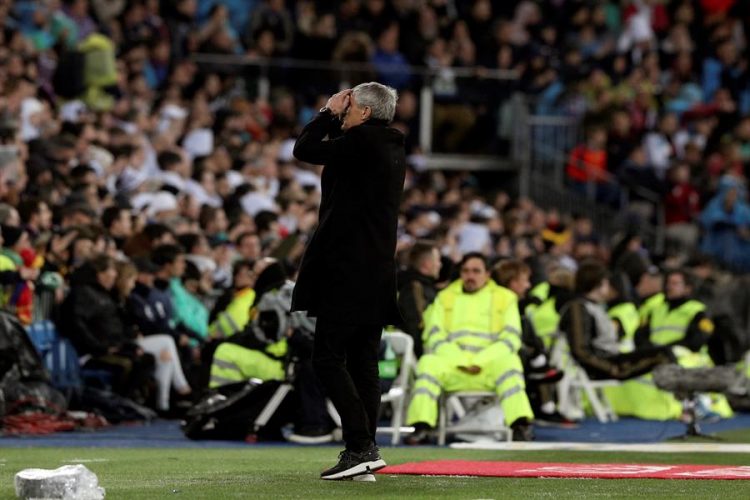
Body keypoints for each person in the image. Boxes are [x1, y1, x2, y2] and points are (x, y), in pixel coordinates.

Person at [291, 82, 405, 481]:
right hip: (376, 271)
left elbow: (304, 149)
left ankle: (360, 446)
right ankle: (364, 453)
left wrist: (324, 111)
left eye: (350, 103)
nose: (344, 108)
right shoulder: (388, 145)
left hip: (348, 270)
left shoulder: (363, 143)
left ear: (366, 113)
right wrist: (338, 117)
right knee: (363, 363)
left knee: (326, 356)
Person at [405, 253, 535, 443]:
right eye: (465, 271)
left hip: (488, 368)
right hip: (454, 367)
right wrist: (462, 361)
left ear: (487, 274)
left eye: (476, 271)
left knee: (510, 362)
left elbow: (511, 338)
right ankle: (422, 427)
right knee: (428, 363)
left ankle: (520, 426)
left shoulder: (505, 298)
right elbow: (433, 335)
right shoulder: (444, 297)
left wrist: (478, 361)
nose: (470, 276)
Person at [558, 260, 674, 381]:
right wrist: (610, 368)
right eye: (606, 282)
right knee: (662, 354)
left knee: (661, 351)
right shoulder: (579, 308)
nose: (609, 286)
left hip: (608, 359)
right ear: (599, 284)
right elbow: (580, 350)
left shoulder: (592, 307)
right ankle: (687, 395)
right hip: (603, 365)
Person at [396, 240, 441, 357]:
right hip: (420, 356)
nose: (440, 264)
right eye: (438, 260)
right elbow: (415, 327)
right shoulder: (414, 289)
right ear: (427, 264)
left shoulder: (422, 286)